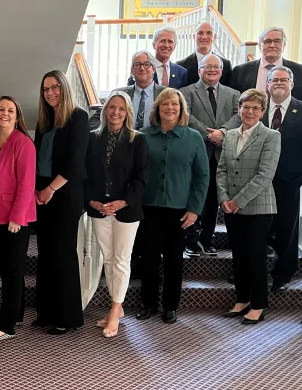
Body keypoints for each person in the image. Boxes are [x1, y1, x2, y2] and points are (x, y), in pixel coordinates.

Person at [135, 88, 209, 324]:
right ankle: (148, 303)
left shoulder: (194, 137)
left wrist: (195, 210)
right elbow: (134, 172)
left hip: (180, 210)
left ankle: (170, 306)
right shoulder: (143, 136)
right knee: (148, 258)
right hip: (148, 208)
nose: (170, 108)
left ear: (181, 109)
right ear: (157, 108)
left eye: (175, 104)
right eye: (165, 104)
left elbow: (202, 177)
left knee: (173, 259)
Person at [83, 92, 149, 338]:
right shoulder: (93, 139)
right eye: (112, 107)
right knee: (108, 259)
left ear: (128, 112)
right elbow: (86, 173)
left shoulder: (137, 140)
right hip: (99, 209)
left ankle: (114, 310)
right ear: (105, 110)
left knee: (121, 260)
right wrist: (92, 200)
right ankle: (117, 306)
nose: (116, 112)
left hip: (126, 210)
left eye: (121, 108)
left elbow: (142, 178)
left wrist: (123, 202)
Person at [33, 70, 90, 335]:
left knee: (63, 254)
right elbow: (37, 159)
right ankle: (45, 313)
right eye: (46, 89)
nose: (51, 93)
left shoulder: (78, 117)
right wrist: (36, 190)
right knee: (45, 254)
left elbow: (75, 162)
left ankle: (67, 317)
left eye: (55, 87)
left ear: (64, 88)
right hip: (43, 194)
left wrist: (50, 189)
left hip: (65, 195)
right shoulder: (44, 120)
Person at [217, 89, 281, 324]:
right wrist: (223, 198)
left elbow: (265, 176)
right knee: (239, 257)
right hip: (231, 207)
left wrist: (237, 201)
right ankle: (242, 299)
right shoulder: (231, 135)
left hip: (258, 208)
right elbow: (221, 168)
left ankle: (259, 304)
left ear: (262, 112)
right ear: (239, 109)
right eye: (246, 107)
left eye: (255, 108)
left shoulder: (271, 136)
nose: (250, 111)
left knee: (255, 257)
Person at [0, 96, 36, 342]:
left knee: (12, 270)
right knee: (7, 268)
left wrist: (17, 217)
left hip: (13, 218)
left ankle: (7, 324)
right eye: (1, 109)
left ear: (17, 115)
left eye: (11, 110)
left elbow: (26, 184)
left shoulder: (23, 143)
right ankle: (16, 313)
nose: (5, 113)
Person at [262, 65, 302, 292]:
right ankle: (252, 271)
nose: (278, 83)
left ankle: (282, 274)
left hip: (290, 181)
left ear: (292, 84)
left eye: (283, 80)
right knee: (259, 228)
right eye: (274, 80)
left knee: (287, 229)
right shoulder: (256, 108)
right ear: (267, 84)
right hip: (259, 181)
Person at [181, 53, 241, 257]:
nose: (212, 70)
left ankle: (207, 238)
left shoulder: (234, 94)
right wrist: (209, 134)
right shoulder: (186, 92)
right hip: (197, 151)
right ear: (199, 70)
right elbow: (185, 116)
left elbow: (238, 115)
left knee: (214, 198)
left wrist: (222, 132)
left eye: (216, 67)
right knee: (194, 195)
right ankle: (191, 240)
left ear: (222, 71)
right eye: (207, 67)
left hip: (222, 154)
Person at [231, 27, 302, 104]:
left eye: (277, 41)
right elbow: (232, 104)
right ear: (260, 45)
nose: (272, 45)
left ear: (284, 45)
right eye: (267, 41)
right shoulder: (240, 71)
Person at [116, 50, 169, 130]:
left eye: (147, 64)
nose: (142, 68)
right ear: (132, 70)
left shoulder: (166, 94)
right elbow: (97, 118)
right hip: (126, 140)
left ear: (154, 69)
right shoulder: (119, 94)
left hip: (155, 140)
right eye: (137, 65)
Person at [179, 21, 233, 87]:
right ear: (194, 37)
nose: (204, 37)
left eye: (209, 33)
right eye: (200, 33)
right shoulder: (181, 65)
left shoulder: (226, 65)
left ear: (214, 37)